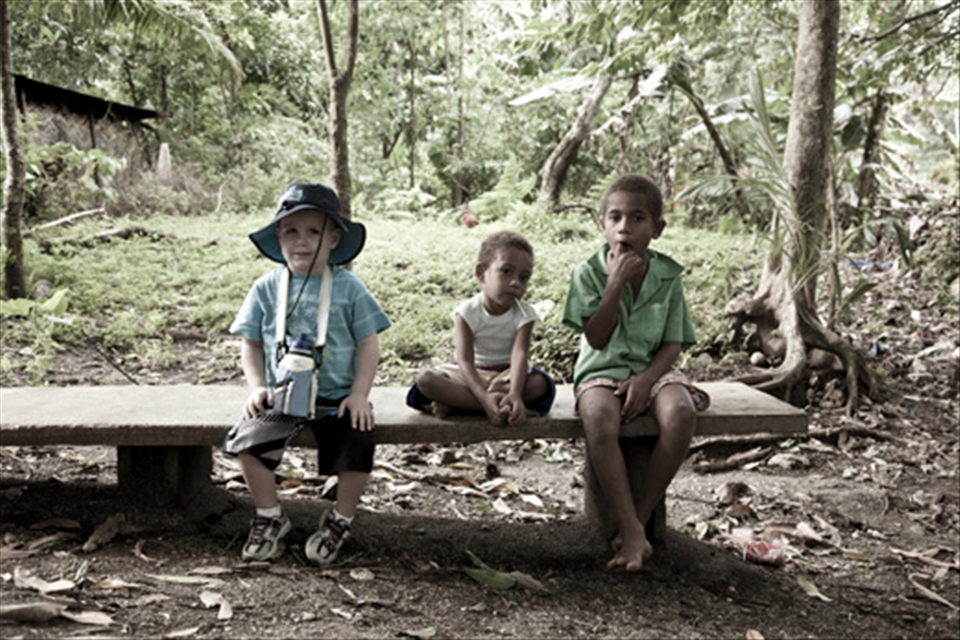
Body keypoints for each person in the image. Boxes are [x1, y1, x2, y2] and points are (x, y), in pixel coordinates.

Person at [223, 182, 391, 565]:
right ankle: (269, 516)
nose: (302, 241)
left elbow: (369, 343)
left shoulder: (349, 288)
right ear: (278, 236)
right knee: (247, 442)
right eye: (291, 231)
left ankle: (340, 519)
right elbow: (250, 341)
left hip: (337, 399)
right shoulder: (266, 288)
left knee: (358, 444)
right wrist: (257, 387)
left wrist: (359, 394)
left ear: (333, 239)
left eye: (314, 231)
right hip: (282, 397)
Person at [561, 173, 710, 572]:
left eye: (637, 217)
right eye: (615, 217)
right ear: (603, 224)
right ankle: (630, 526)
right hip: (601, 369)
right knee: (598, 417)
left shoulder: (668, 277)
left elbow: (673, 344)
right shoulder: (588, 273)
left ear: (657, 228)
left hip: (653, 371)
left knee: (681, 413)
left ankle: (636, 522)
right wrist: (614, 285)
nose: (624, 227)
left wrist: (645, 380)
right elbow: (595, 338)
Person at [407, 230, 556, 426]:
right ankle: (490, 404)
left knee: (540, 384)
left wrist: (515, 393)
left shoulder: (525, 314)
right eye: (506, 272)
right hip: (471, 374)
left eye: (524, 277)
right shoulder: (467, 313)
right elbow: (465, 361)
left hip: (507, 375)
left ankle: (462, 406)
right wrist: (483, 397)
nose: (515, 283)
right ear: (481, 273)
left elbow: (519, 356)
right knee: (427, 380)